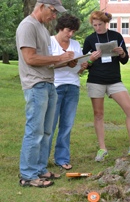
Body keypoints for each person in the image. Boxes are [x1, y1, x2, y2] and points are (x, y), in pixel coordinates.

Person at [16, 0, 74, 188]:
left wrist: (65, 61)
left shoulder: (41, 28)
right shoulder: (27, 26)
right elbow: (30, 59)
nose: (55, 16)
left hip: (49, 84)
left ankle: (40, 169)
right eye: (53, 11)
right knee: (35, 131)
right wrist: (59, 58)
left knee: (47, 131)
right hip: (35, 85)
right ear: (42, 6)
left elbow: (46, 63)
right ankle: (28, 175)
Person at [82, 10, 130, 162]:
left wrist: (122, 53)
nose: (97, 27)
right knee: (98, 115)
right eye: (94, 25)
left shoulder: (116, 36)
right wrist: (90, 59)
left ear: (106, 23)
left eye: (99, 24)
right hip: (96, 80)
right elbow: (84, 65)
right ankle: (102, 149)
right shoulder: (89, 39)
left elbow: (124, 61)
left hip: (114, 80)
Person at [48, 13, 91, 170]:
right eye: (68, 30)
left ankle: (62, 159)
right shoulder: (49, 42)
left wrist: (82, 66)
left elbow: (78, 68)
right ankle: (43, 159)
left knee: (67, 125)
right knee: (50, 125)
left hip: (73, 86)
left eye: (73, 31)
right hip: (55, 86)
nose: (71, 34)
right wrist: (63, 60)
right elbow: (47, 65)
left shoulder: (75, 44)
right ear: (60, 27)